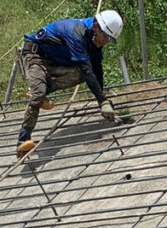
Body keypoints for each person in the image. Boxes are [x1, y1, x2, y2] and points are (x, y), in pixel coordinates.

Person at [16, 9, 124, 157]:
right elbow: (88, 70)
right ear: (97, 27)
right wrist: (102, 101)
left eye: (109, 40)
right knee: (38, 95)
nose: (106, 42)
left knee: (80, 74)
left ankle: (44, 90)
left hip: (55, 60)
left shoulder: (94, 41)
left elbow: (97, 69)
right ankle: (23, 139)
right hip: (36, 56)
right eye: (106, 37)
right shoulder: (76, 33)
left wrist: (103, 101)